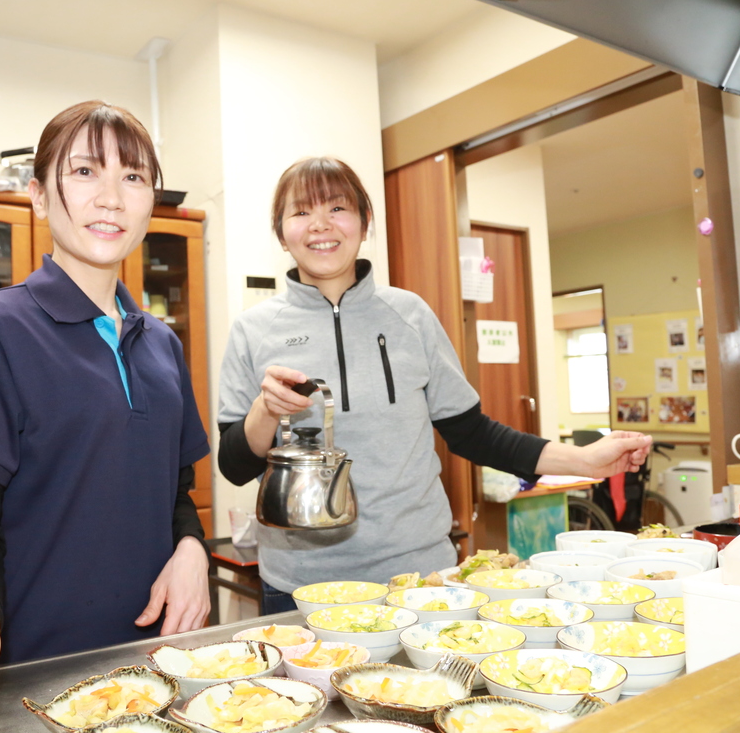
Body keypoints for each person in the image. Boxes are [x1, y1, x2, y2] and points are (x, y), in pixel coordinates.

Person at [217, 156, 651, 614]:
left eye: (338, 208)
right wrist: (265, 411)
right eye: (301, 212)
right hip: (300, 585)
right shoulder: (253, 330)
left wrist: (584, 460)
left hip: (419, 578)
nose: (320, 225)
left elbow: (473, 434)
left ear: (365, 223)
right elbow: (235, 465)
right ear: (281, 233)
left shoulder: (411, 315)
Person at [0, 101, 211, 718]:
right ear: (39, 197)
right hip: (37, 685)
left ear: (152, 201)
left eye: (133, 178)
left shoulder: (163, 344)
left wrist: (193, 549)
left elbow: (174, 493)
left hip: (160, 672)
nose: (112, 198)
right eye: (86, 172)